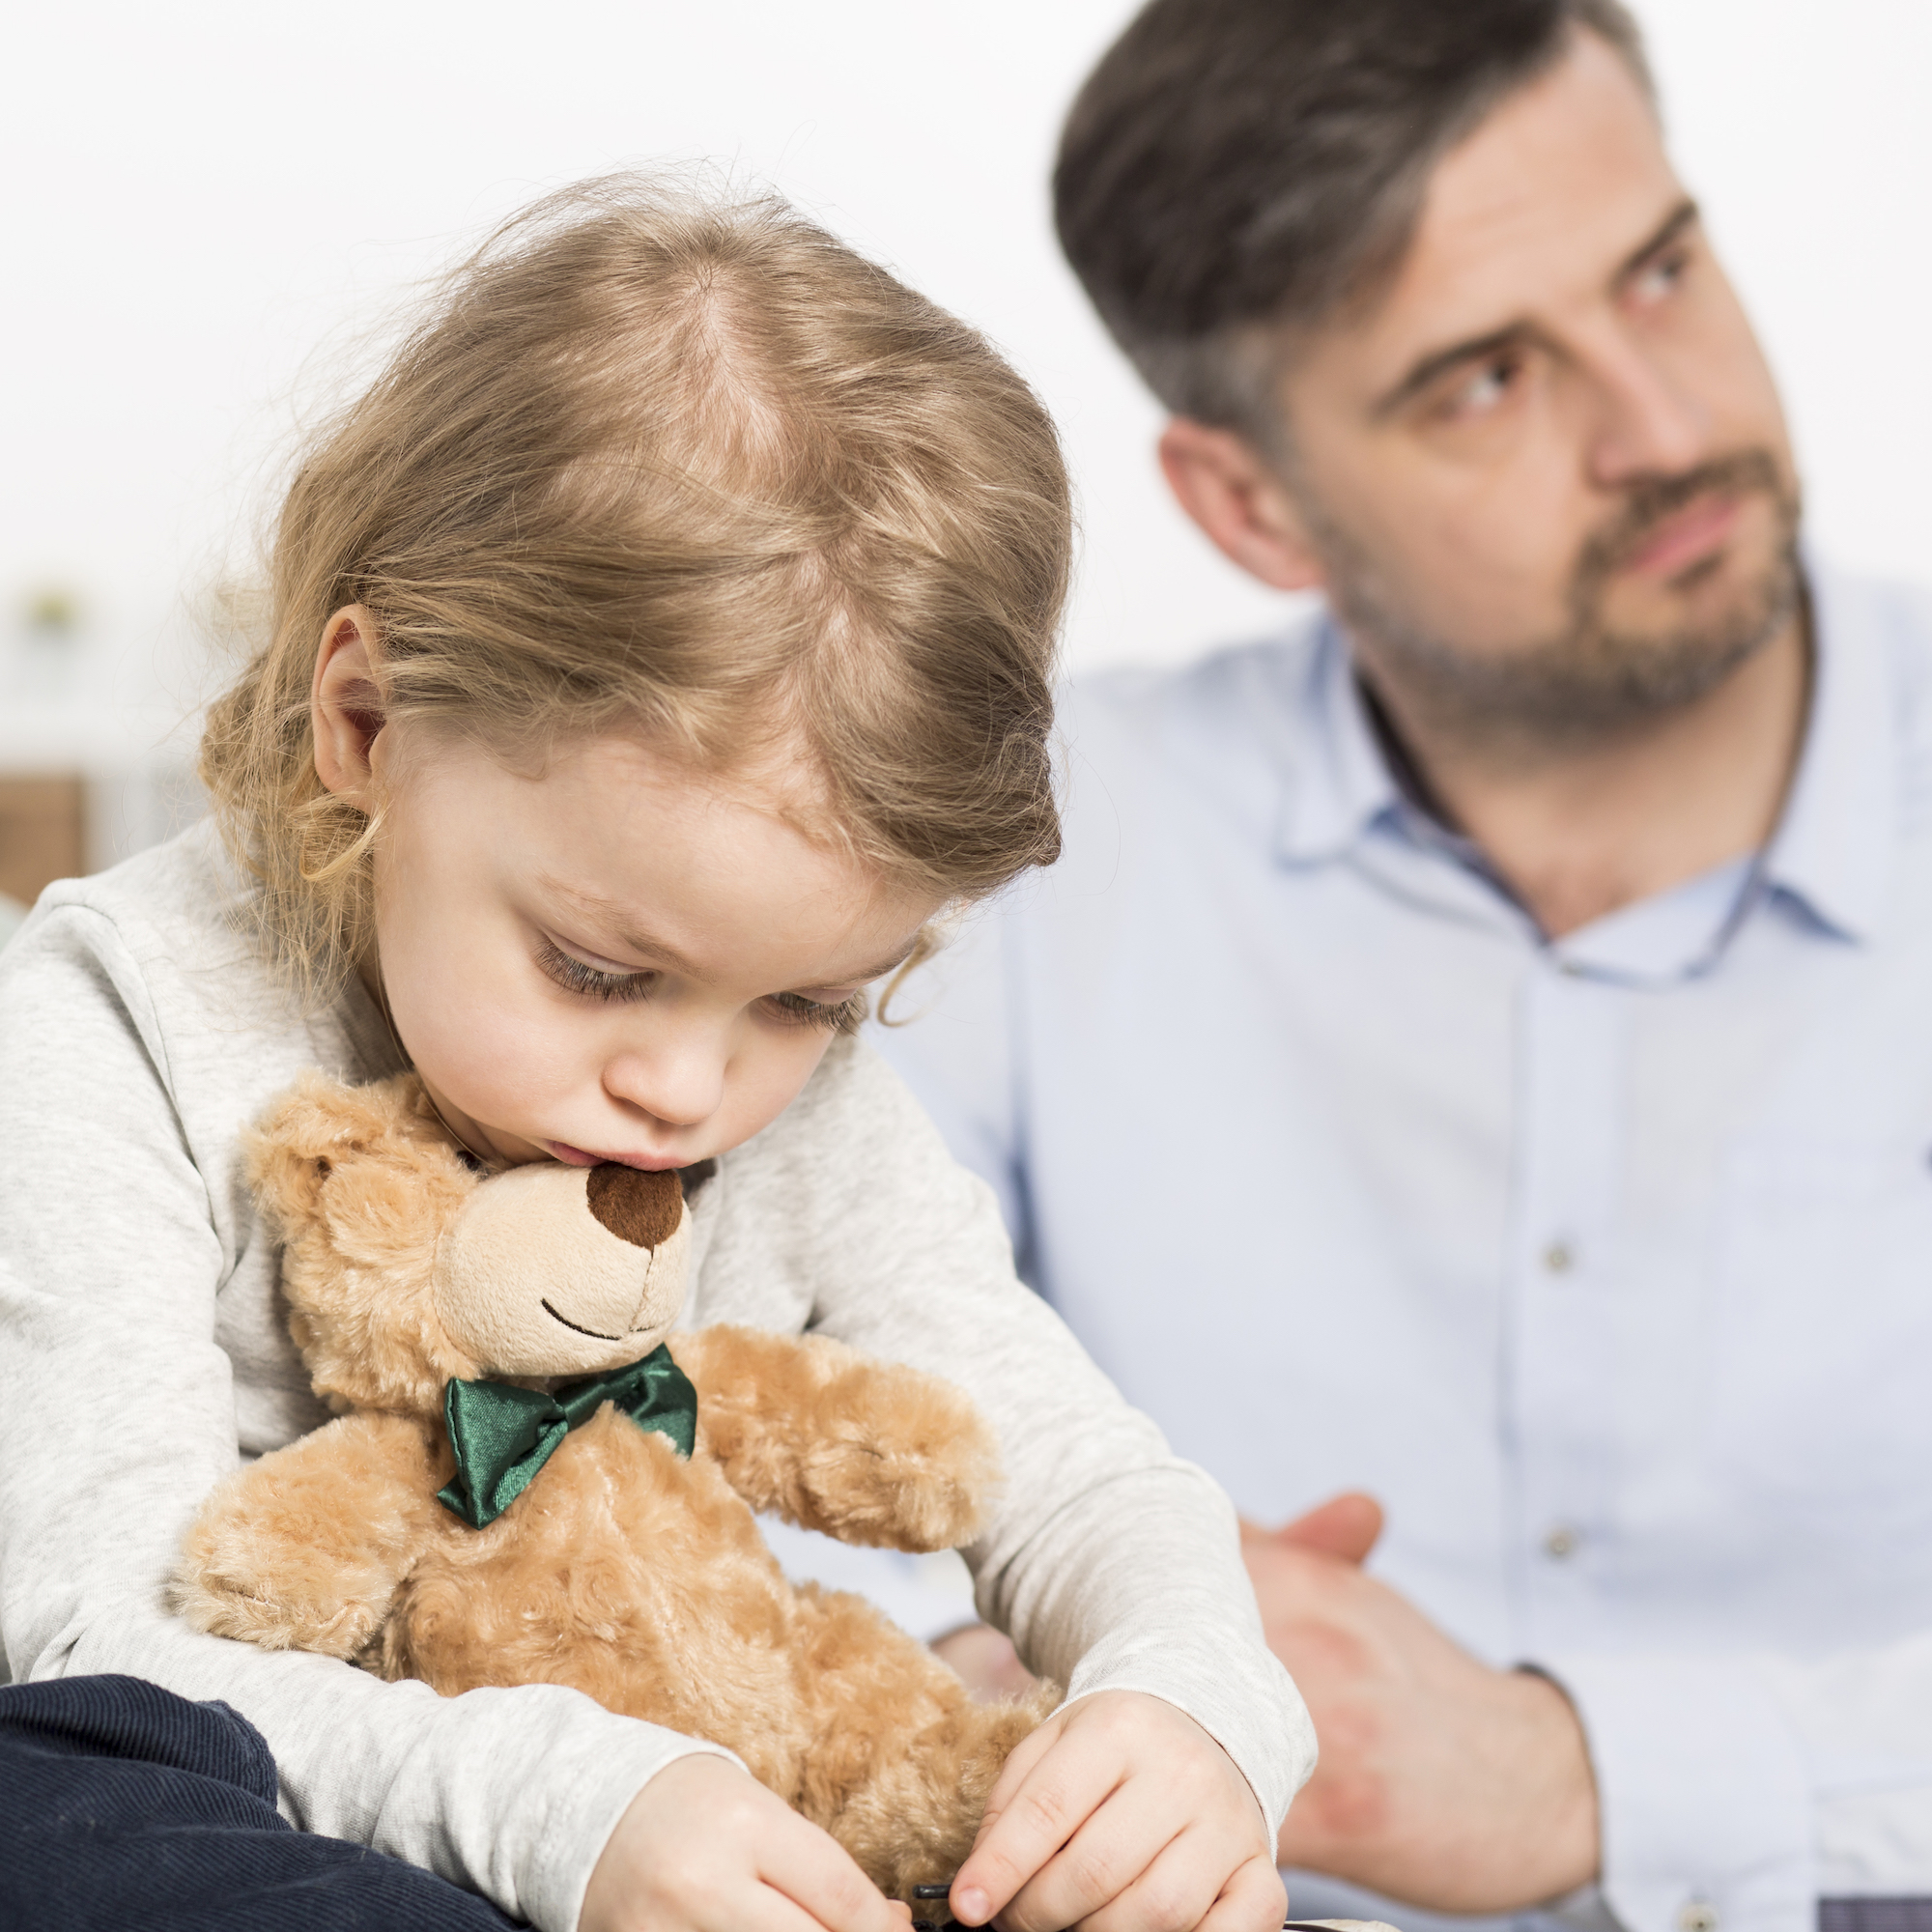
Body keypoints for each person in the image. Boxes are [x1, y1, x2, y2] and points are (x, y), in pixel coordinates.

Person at [0, 179, 1309, 1932]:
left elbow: (1075, 1470)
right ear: (366, 723)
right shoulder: (118, 1017)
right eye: (599, 968)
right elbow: (91, 1649)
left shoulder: (791, 1098)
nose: (692, 1093)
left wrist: (1197, 1703)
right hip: (292, 1835)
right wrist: (559, 1805)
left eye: (808, 1002)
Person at [870, 6, 1932, 1932]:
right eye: (1484, 379)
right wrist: (985, 1677)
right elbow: (725, 1428)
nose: (1667, 425)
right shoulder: (1019, 848)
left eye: (1663, 272)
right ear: (1250, 508)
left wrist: (1572, 1776)